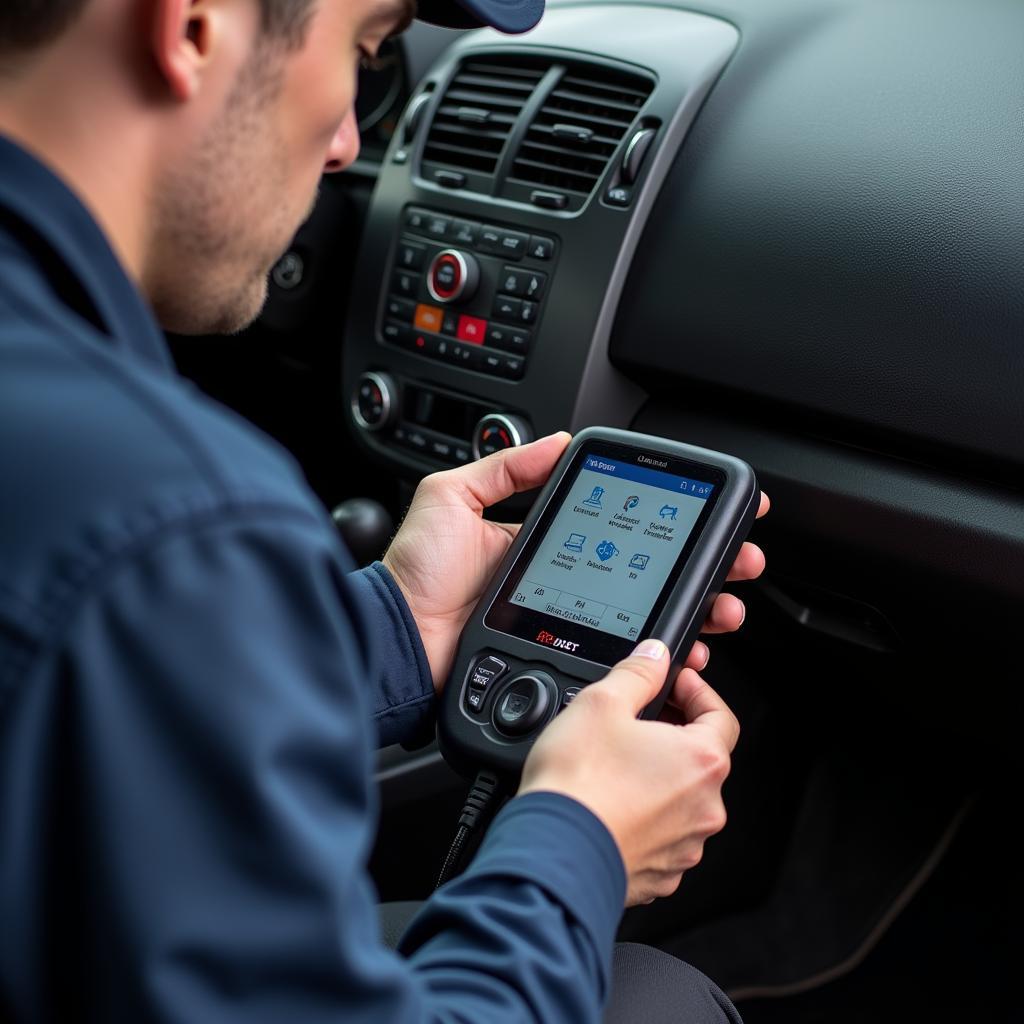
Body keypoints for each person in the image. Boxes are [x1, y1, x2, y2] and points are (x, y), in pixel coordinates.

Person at [0, 0, 770, 1019]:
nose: (351, 143)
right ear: (191, 24)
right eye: (366, 53)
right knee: (657, 998)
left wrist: (401, 628)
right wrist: (579, 840)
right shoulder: (171, 523)